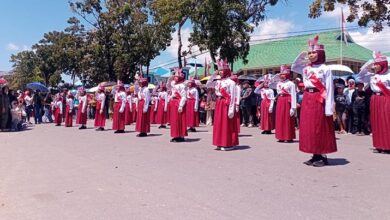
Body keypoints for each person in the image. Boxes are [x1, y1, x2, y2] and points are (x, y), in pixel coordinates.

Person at [292, 35, 337, 167]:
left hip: (319, 98)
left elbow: (329, 88)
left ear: (320, 54)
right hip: (307, 98)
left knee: (320, 127)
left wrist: (329, 108)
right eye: (310, 53)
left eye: (313, 52)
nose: (311, 55)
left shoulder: (325, 69)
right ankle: (314, 154)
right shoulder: (307, 68)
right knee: (309, 127)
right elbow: (294, 66)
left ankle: (322, 156)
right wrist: (301, 56)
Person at [356, 51, 390, 153]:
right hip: (375, 99)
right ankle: (378, 145)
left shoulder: (388, 75)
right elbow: (359, 76)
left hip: (385, 98)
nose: (374, 66)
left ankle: (387, 146)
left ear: (383, 65)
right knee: (376, 122)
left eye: (377, 64)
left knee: (386, 122)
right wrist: (368, 65)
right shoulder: (371, 76)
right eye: (374, 64)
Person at [206, 59, 239, 151]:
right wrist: (213, 75)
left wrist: (231, 109)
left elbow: (232, 96)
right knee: (219, 123)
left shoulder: (231, 82)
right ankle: (219, 142)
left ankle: (228, 143)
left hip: (226, 103)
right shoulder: (217, 81)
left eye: (222, 70)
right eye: (219, 70)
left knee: (226, 124)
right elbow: (208, 84)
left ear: (226, 71)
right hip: (219, 102)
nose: (220, 72)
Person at [275, 65, 297, 142]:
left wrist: (293, 107)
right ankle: (280, 136)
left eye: (283, 74)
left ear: (287, 74)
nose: (282, 76)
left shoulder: (291, 83)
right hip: (280, 100)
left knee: (287, 118)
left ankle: (288, 136)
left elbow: (293, 95)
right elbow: (278, 92)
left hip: (288, 100)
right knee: (280, 118)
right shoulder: (278, 83)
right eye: (281, 74)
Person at [168, 69, 188, 142]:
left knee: (179, 120)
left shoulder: (182, 86)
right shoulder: (174, 85)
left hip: (179, 103)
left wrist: (181, 105)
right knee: (174, 120)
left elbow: (184, 96)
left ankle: (180, 135)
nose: (175, 78)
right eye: (175, 76)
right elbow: (169, 85)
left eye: (176, 76)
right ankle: (175, 135)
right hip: (174, 103)